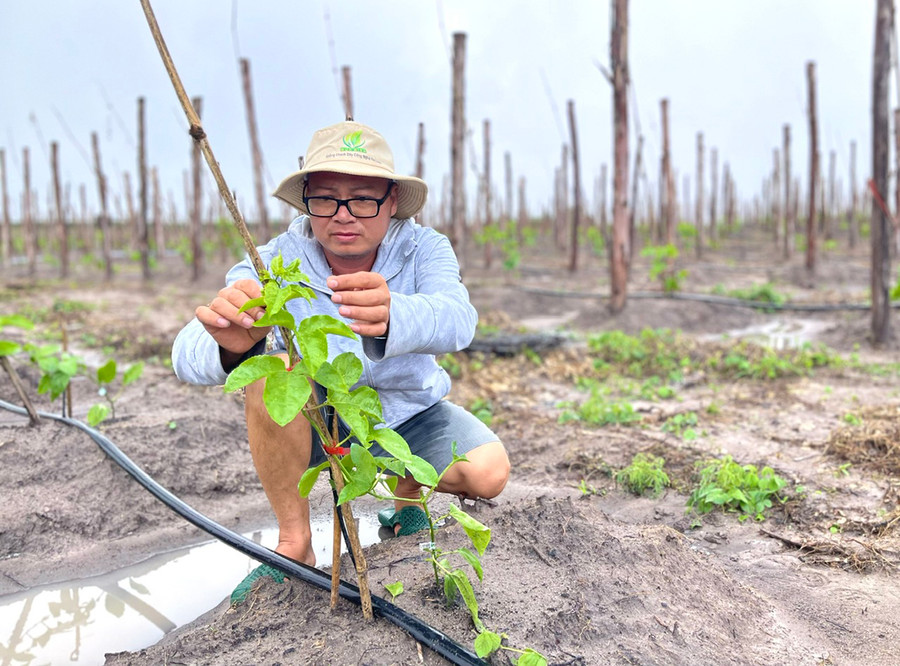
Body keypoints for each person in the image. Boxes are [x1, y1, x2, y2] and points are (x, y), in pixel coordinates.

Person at [171, 120, 510, 583]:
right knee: (275, 371)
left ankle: (406, 499)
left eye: (363, 198)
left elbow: (458, 319)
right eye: (327, 198)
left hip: (408, 413)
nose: (343, 214)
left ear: (392, 201)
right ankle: (295, 542)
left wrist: (396, 315)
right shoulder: (275, 261)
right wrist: (234, 348)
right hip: (320, 420)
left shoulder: (424, 249)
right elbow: (184, 352)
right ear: (307, 199)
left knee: (487, 473)